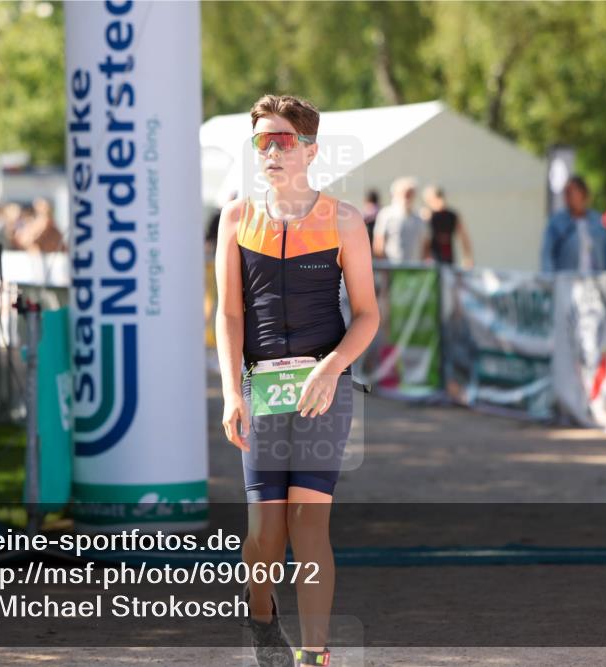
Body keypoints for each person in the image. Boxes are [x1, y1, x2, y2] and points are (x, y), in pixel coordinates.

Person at [215, 93, 379, 667]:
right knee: (266, 531)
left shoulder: (344, 221)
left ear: (311, 149)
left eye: (283, 141)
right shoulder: (236, 218)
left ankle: (314, 655)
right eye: (262, 141)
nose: (272, 152)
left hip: (322, 392)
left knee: (310, 524)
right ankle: (260, 615)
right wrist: (233, 391)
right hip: (261, 391)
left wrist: (332, 369)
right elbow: (229, 314)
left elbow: (367, 315)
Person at [540, 176, 606, 272]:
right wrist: (550, 280)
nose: (568, 196)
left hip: (595, 281)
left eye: (571, 192)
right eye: (566, 193)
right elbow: (547, 254)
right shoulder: (556, 222)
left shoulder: (597, 221)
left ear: (583, 193)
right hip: (567, 280)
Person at [372, 177, 427, 263]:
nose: (407, 197)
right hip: (392, 268)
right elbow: (379, 243)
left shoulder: (419, 218)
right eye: (405, 194)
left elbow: (425, 245)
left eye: (410, 194)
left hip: (414, 269)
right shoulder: (386, 214)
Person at [421, 185, 474, 268]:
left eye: (440, 196)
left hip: (448, 259)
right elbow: (423, 241)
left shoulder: (452, 216)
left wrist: (467, 257)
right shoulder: (426, 216)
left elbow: (463, 237)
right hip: (431, 261)